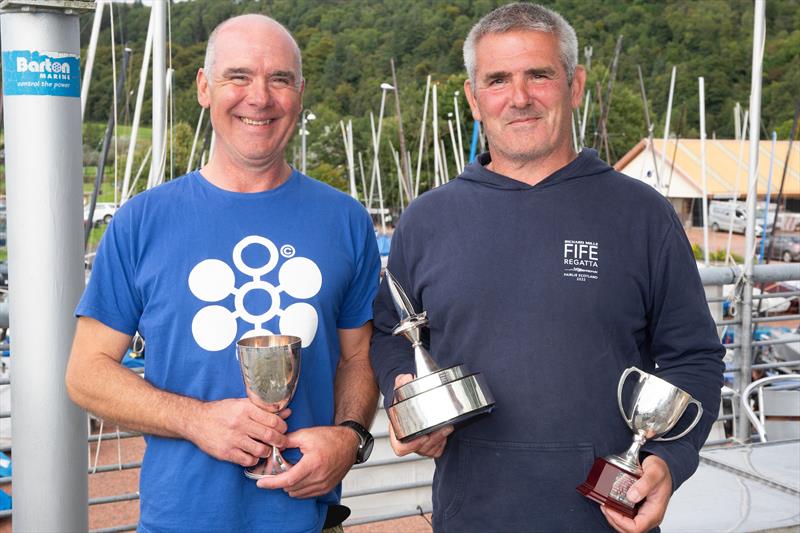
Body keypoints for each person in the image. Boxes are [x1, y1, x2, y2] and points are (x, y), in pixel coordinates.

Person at [370, 3, 725, 532]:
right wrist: (405, 393)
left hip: (607, 516)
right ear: (473, 97)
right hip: (471, 517)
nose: (519, 98)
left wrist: (669, 462)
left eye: (539, 74)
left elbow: (694, 357)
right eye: (497, 80)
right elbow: (390, 332)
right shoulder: (426, 220)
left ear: (574, 84)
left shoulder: (642, 213)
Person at [66, 14, 380, 533]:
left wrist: (349, 437)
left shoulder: (345, 219)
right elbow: (86, 372)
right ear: (204, 88)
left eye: (279, 79)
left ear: (299, 93)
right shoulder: (142, 220)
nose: (259, 97)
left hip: (311, 520)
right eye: (238, 76)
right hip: (179, 521)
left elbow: (359, 357)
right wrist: (197, 421)